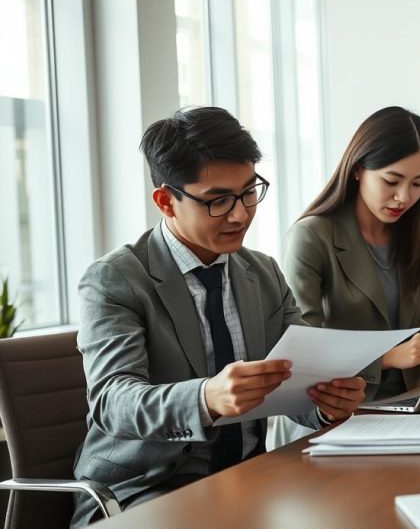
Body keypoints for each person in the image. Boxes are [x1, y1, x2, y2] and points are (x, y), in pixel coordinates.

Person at [72, 107, 366, 527]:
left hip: (249, 479)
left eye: (249, 192)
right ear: (165, 201)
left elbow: (299, 381)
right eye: (218, 201)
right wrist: (205, 398)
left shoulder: (261, 271)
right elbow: (112, 402)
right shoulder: (115, 280)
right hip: (142, 492)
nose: (240, 214)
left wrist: (327, 403)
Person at [267, 106, 420, 448]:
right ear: (358, 170)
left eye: (418, 183)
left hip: (409, 406)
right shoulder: (312, 236)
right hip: (332, 416)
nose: (405, 197)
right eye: (391, 180)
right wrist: (387, 357)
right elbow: (305, 349)